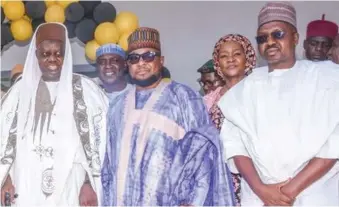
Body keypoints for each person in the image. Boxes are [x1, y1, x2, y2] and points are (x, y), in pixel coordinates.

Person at [219, 2, 339, 206]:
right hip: (260, 198)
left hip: (315, 194)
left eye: (278, 34)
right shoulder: (242, 90)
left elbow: (335, 142)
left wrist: (287, 192)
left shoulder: (328, 78)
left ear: (295, 38)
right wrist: (261, 190)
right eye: (263, 38)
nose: (270, 42)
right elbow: (234, 145)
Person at [101, 27, 235, 206]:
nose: (141, 63)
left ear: (161, 60)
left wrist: (193, 201)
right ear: (128, 65)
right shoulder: (117, 106)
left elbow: (204, 153)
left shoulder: (184, 97)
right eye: (134, 58)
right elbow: (108, 165)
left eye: (148, 56)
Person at [0, 22, 108, 206]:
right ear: (36, 56)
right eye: (45, 54)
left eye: (58, 53)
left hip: (71, 185)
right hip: (26, 185)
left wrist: (89, 183)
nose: (52, 59)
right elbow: (3, 140)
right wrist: (5, 178)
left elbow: (101, 142)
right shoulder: (18, 92)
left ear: (66, 56)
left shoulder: (87, 91)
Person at [204, 34, 256, 206]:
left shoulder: (260, 92)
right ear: (217, 62)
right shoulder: (209, 100)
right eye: (224, 56)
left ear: (247, 57)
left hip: (254, 177)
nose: (230, 60)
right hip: (218, 177)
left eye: (237, 54)